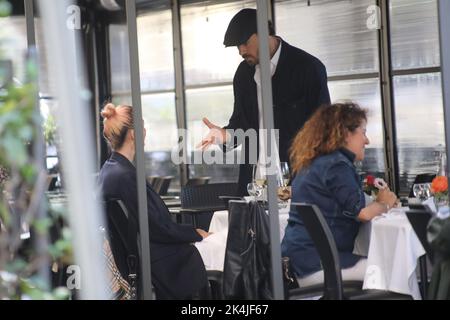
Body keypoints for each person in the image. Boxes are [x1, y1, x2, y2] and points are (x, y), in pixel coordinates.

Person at [198, 8, 330, 196]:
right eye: (237, 47)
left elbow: (325, 130)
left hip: (297, 181)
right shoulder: (243, 74)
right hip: (254, 183)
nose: (241, 51)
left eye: (244, 43)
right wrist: (224, 136)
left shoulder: (308, 68)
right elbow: (242, 125)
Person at [98, 103, 210, 300]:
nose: (145, 131)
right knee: (219, 247)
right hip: (159, 262)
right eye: (142, 126)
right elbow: (158, 228)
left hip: (141, 257)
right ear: (133, 134)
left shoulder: (109, 171)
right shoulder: (126, 177)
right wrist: (194, 233)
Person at [281, 102, 398, 287]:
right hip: (318, 265)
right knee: (392, 270)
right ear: (346, 134)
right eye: (363, 132)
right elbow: (363, 213)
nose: (366, 141)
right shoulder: (337, 165)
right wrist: (386, 203)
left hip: (297, 261)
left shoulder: (313, 163)